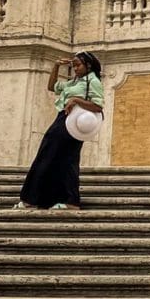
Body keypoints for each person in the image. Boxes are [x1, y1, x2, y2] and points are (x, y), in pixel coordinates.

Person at [14, 52, 104, 210]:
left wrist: (76, 100)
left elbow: (98, 106)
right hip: (63, 118)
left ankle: (60, 201)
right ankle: (50, 199)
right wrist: (56, 65)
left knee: (59, 158)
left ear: (88, 65)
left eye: (78, 65)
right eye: (73, 65)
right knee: (57, 158)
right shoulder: (75, 81)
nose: (75, 68)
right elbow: (51, 86)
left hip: (74, 122)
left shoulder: (93, 81)